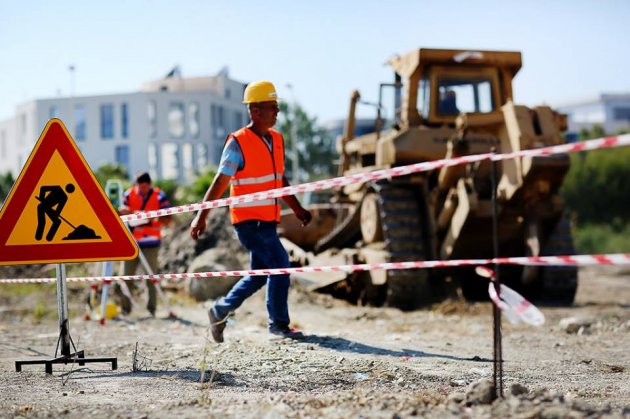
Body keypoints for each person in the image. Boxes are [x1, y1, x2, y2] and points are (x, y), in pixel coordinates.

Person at [190, 80, 312, 343]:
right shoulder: (238, 143)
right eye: (272, 107)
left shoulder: (277, 140)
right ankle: (278, 325)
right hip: (248, 222)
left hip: (267, 221)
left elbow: (280, 180)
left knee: (260, 275)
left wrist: (298, 209)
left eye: (277, 107)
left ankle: (220, 309)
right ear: (255, 111)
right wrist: (201, 216)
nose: (277, 112)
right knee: (280, 266)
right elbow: (220, 183)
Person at [114, 171, 172, 316]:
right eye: (141, 187)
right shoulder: (128, 195)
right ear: (136, 184)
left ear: (150, 184)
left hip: (151, 243)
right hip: (132, 243)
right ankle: (125, 309)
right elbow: (120, 214)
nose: (143, 190)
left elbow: (168, 219)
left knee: (151, 278)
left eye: (145, 187)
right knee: (126, 278)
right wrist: (125, 213)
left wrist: (148, 218)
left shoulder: (159, 196)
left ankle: (152, 309)